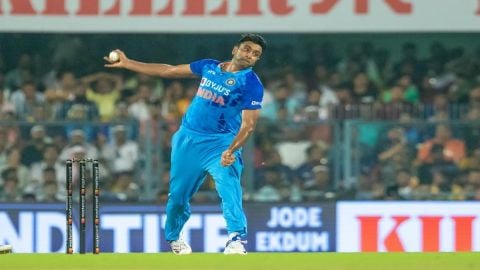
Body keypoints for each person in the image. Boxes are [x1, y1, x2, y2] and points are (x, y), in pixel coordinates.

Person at [104, 34, 267, 255]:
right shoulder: (209, 66)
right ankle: (174, 238)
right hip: (187, 139)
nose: (249, 55)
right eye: (247, 49)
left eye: (255, 54)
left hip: (220, 143)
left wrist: (231, 150)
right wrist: (129, 63)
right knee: (178, 196)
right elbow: (168, 71)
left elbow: (248, 125)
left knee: (229, 187)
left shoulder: (251, 83)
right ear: (234, 50)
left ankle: (236, 239)